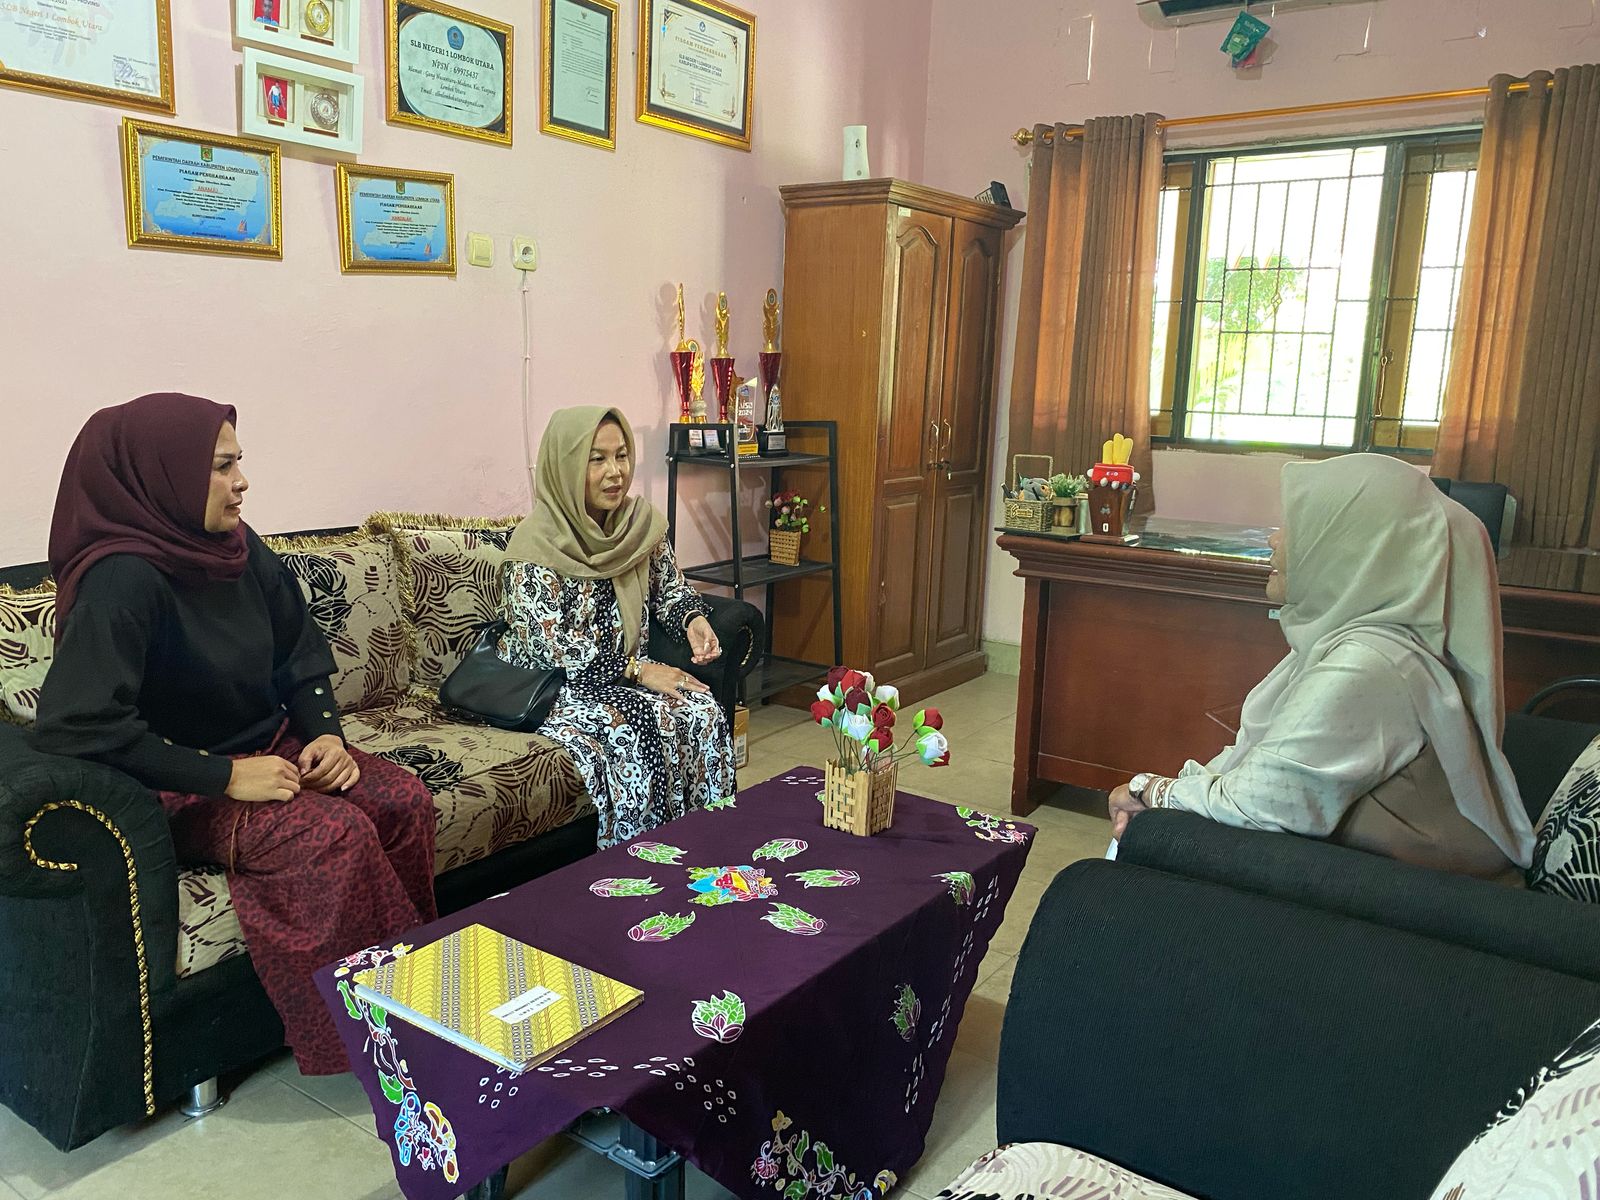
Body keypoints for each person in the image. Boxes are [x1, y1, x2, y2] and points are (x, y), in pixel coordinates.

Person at [34, 393, 436, 1075]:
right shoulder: (119, 581)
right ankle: (366, 1037)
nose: (241, 482)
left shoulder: (237, 549)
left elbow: (297, 653)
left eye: (237, 462)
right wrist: (224, 777)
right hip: (176, 783)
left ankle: (417, 994)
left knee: (402, 800)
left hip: (270, 748)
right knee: (331, 836)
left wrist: (326, 735)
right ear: (162, 475)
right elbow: (78, 727)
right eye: (221, 467)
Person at [1107, 453, 1535, 882]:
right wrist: (1170, 791)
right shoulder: (1355, 640)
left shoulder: (1369, 665)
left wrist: (1147, 789)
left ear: (1348, 550)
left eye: (1295, 526)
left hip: (1413, 907)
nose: (1274, 539)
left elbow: (1255, 803)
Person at [499, 406, 735, 848]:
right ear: (566, 467)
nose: (616, 472)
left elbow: (670, 589)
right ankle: (639, 864)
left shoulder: (639, 527)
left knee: (701, 711)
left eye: (622, 455)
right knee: (635, 725)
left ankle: (707, 845)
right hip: (555, 685)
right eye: (597, 459)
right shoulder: (534, 546)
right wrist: (639, 671)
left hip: (624, 674)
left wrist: (694, 620)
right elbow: (551, 649)